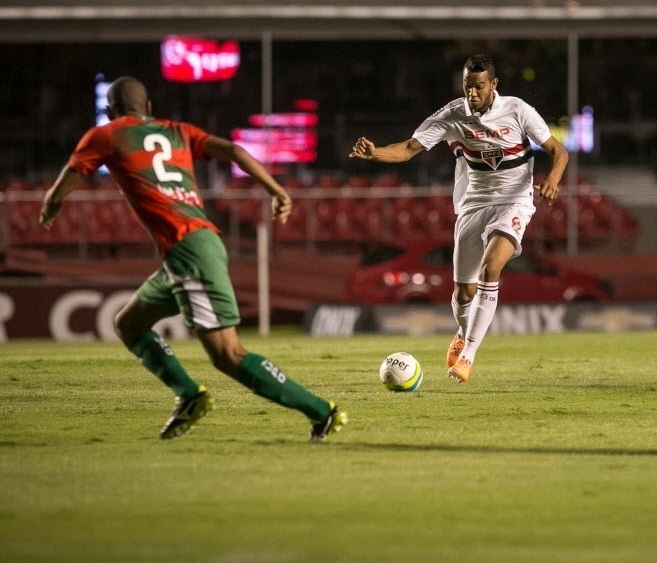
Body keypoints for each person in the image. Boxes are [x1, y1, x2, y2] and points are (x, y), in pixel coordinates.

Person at [39, 76, 347, 442]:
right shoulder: (176, 131)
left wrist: (49, 206)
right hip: (191, 248)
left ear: (110, 112)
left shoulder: (105, 135)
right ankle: (188, 396)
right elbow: (234, 151)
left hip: (189, 250)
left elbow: (65, 183)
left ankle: (321, 412)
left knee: (227, 354)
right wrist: (277, 190)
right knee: (129, 324)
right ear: (149, 108)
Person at [349, 54, 568, 383]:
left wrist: (552, 179)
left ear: (493, 84)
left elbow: (558, 150)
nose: (472, 93)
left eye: (479, 86)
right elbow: (409, 147)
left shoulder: (518, 109)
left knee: (491, 267)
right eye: (468, 87)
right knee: (464, 292)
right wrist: (376, 152)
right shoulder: (452, 115)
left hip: (515, 201)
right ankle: (463, 334)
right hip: (473, 205)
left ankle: (467, 356)